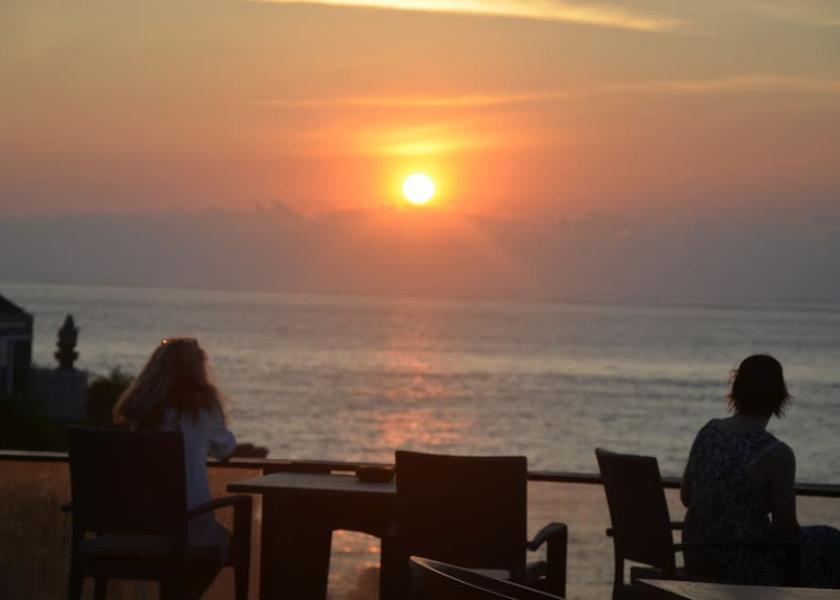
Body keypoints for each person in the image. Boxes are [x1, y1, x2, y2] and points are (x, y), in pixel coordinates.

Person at [681, 354, 840, 587]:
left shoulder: (709, 431)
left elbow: (687, 497)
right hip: (745, 566)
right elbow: (785, 530)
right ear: (780, 396)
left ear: (736, 391)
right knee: (831, 543)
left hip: (697, 557)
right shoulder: (776, 454)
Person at [113, 337, 237, 591]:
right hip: (187, 521)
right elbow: (225, 449)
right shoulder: (203, 408)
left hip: (133, 521)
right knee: (226, 543)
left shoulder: (140, 410)